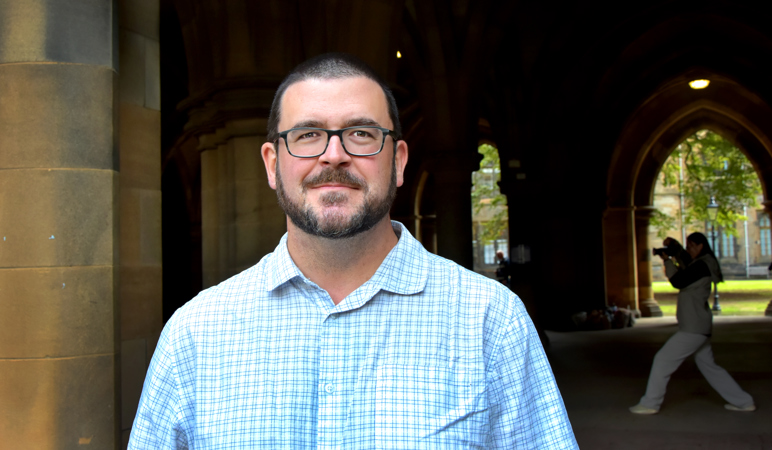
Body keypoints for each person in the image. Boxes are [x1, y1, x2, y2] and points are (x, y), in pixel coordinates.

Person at [129, 53, 577, 449]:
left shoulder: (491, 321)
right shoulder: (193, 335)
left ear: (398, 161)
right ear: (272, 163)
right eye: (307, 135)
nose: (334, 154)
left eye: (361, 133)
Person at [629, 232, 756, 415]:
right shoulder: (703, 263)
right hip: (699, 326)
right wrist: (675, 247)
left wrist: (667, 260)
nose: (688, 250)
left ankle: (650, 403)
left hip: (693, 328)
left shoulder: (701, 266)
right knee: (710, 367)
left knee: (662, 360)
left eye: (691, 246)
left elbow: (678, 281)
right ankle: (744, 402)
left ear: (700, 246)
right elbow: (687, 262)